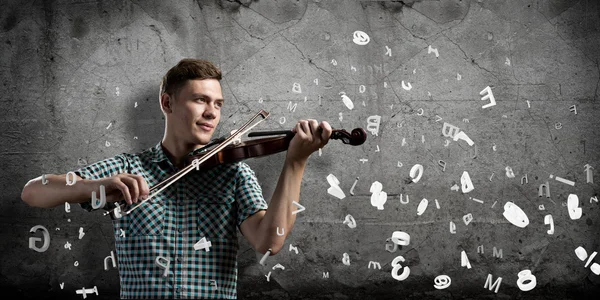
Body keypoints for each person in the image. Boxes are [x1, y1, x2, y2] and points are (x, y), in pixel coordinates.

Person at [21, 58, 332, 299]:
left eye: (218, 104)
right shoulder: (128, 168)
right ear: (167, 103)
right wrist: (96, 186)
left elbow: (270, 241)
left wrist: (296, 160)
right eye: (200, 100)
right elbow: (33, 192)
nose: (212, 112)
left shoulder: (234, 172)